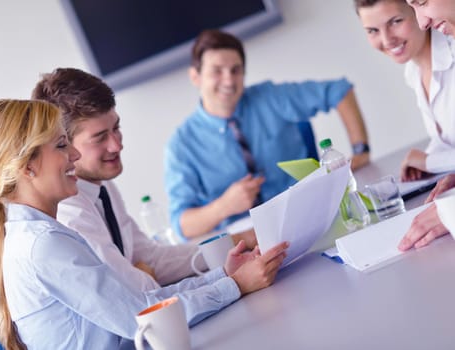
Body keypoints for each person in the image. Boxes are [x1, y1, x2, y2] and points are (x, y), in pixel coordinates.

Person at [0, 99, 289, 349]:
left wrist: (225, 276)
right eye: (60, 145)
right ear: (28, 166)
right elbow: (141, 318)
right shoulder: (42, 244)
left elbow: (142, 303)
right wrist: (235, 285)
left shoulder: (39, 234)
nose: (73, 154)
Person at [31, 68, 255, 291]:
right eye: (100, 138)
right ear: (65, 145)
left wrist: (240, 241)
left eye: (116, 128)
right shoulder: (70, 212)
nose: (117, 145)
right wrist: (232, 281)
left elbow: (153, 259)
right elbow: (133, 292)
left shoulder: (102, 186)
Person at [164, 29, 371, 240]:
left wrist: (360, 150)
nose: (228, 81)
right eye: (217, 71)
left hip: (311, 221)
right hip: (247, 243)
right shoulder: (181, 145)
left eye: (236, 70)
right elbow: (182, 225)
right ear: (195, 76)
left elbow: (339, 91)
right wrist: (223, 207)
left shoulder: (270, 97)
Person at [355, 0, 455, 250]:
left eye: (396, 22)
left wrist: (429, 161)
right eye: (372, 31)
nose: (387, 40)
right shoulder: (413, 72)